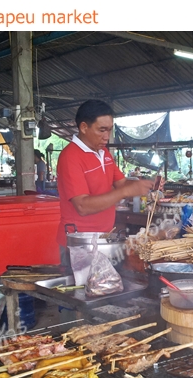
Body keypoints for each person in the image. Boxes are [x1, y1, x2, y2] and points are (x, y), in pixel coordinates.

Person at [57, 99, 154, 263]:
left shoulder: (104, 153)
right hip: (80, 243)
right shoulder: (70, 157)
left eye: (109, 130)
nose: (107, 137)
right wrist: (124, 192)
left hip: (104, 238)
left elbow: (122, 184)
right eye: (101, 130)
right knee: (83, 288)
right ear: (84, 127)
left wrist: (146, 185)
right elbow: (82, 206)